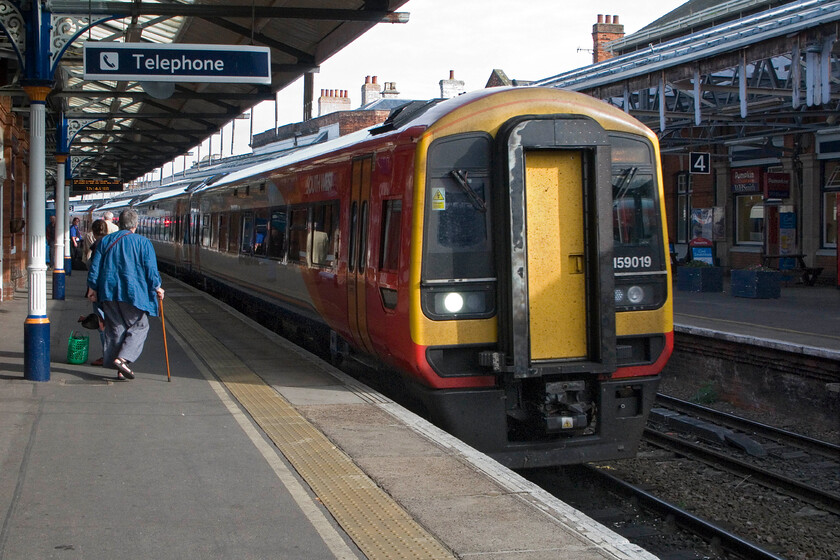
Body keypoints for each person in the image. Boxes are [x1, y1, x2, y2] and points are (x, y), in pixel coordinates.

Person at [86, 209, 165, 381]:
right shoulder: (143, 243)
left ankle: (120, 369)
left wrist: (92, 287)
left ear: (119, 223)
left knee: (116, 329)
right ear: (136, 225)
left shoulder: (105, 241)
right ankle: (122, 360)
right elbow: (150, 269)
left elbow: (95, 267)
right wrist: (157, 286)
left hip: (108, 292)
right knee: (140, 326)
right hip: (134, 294)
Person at [82, 220, 110, 366]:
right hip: (113, 290)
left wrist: (91, 288)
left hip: (100, 289)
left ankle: (107, 355)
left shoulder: (98, 245)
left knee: (101, 323)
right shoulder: (113, 243)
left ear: (93, 232)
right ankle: (118, 355)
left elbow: (93, 268)